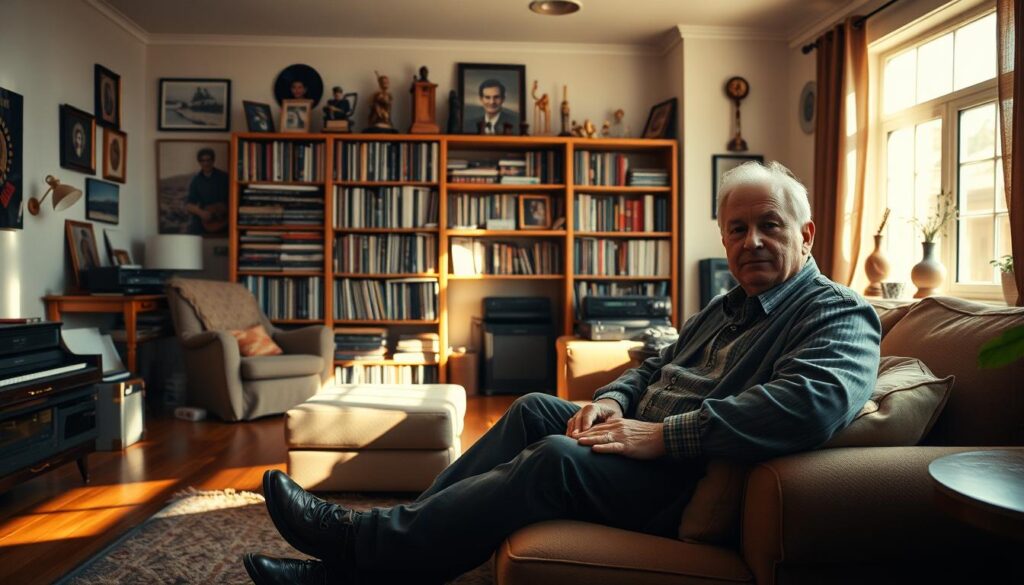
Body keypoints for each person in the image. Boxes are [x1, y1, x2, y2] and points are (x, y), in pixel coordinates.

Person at [242, 160, 882, 585]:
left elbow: (815, 401)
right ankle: (379, 551)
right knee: (534, 407)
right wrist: (611, 400)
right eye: (737, 229)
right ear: (723, 239)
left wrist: (662, 436)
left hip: (676, 476)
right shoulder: (723, 305)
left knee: (554, 456)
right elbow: (655, 365)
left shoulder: (838, 311)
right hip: (634, 445)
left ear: (807, 233)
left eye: (770, 226)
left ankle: (354, 552)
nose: (753, 242)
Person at [184, 147, 228, 235]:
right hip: (205, 218)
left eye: (208, 160)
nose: (206, 163)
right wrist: (201, 213)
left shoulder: (224, 177)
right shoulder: (196, 180)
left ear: (213, 160)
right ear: (199, 162)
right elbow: (188, 204)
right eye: (202, 161)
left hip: (223, 217)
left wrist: (221, 210)